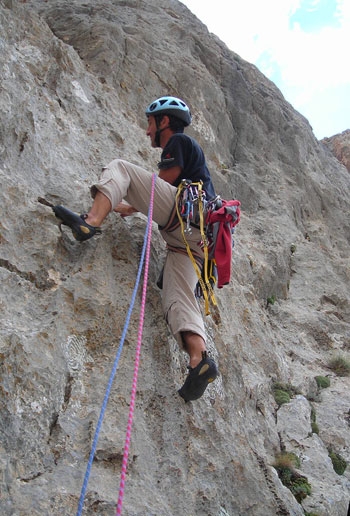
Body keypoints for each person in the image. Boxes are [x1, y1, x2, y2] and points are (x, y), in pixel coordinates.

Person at [53, 96, 218, 402]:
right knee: (177, 296)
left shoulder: (179, 142)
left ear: (164, 121)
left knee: (121, 168)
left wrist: (131, 202)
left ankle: (90, 221)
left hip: (185, 218)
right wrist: (137, 205)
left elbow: (166, 179)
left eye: (150, 123)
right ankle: (199, 359)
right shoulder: (190, 153)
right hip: (197, 241)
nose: (147, 131)